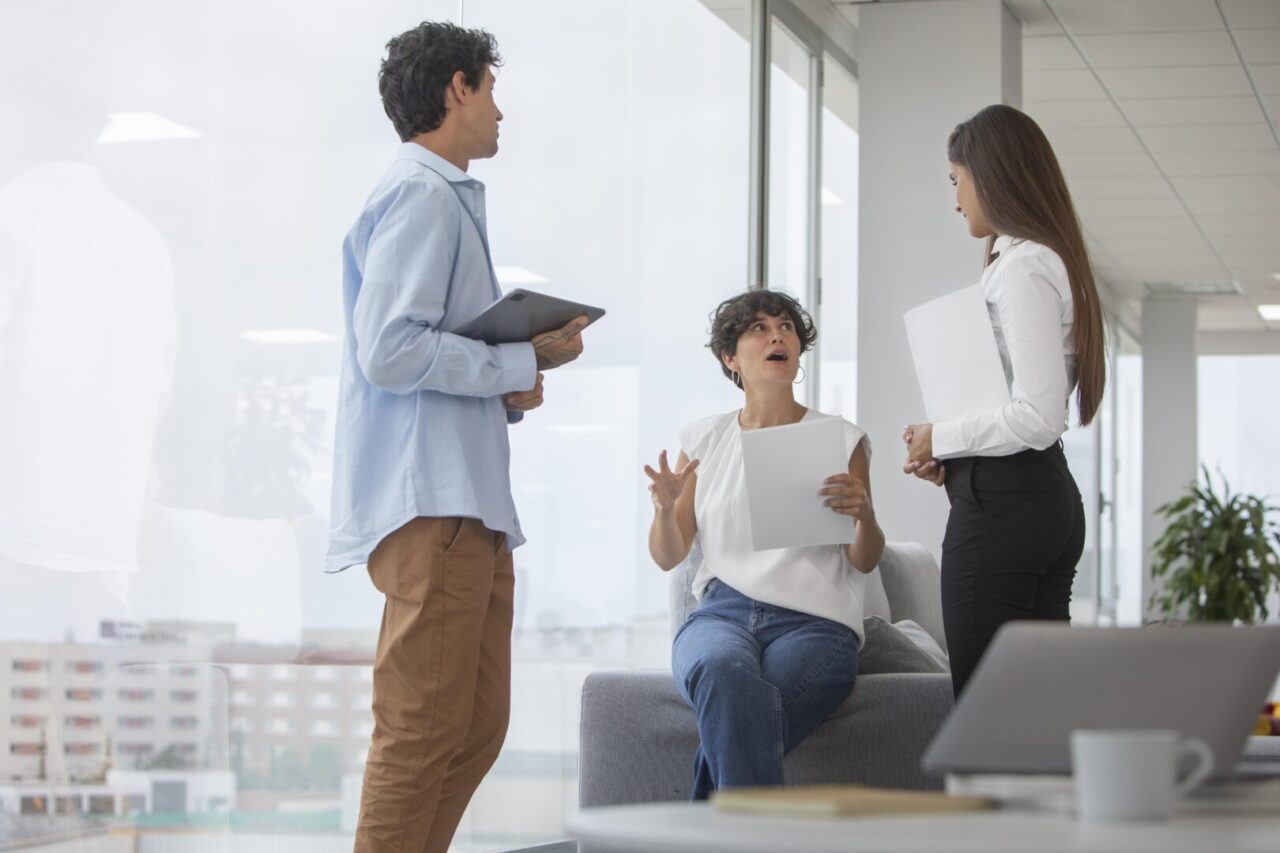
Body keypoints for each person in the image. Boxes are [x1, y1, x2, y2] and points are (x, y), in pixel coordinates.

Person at [327, 22, 588, 853]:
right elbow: (391, 348)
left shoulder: (441, 198)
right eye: (491, 88)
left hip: (467, 502)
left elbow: (426, 354)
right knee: (420, 731)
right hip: (434, 504)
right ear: (457, 89)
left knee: (473, 725)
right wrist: (513, 356)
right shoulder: (420, 194)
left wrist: (513, 380)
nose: (501, 112)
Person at [646, 290, 885, 800]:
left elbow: (863, 559)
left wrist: (864, 514)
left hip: (815, 623)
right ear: (730, 359)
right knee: (719, 670)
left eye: (786, 326)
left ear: (797, 349)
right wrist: (666, 510)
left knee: (744, 710)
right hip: (722, 615)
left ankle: (709, 834)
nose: (777, 334)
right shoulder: (704, 439)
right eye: (758, 328)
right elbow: (669, 555)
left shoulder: (841, 439)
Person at [902, 104, 1105, 699]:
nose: (956, 198)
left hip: (1010, 505)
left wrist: (940, 437)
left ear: (989, 175)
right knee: (1034, 709)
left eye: (956, 180)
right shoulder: (1038, 261)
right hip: (1036, 496)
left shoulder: (1024, 268)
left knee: (988, 710)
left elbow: (1038, 416)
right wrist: (950, 455)